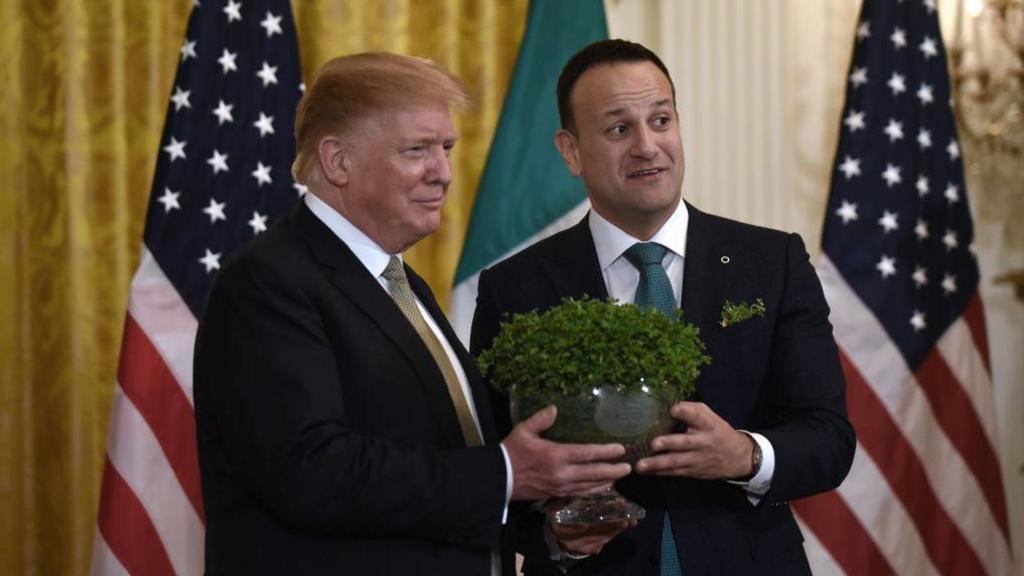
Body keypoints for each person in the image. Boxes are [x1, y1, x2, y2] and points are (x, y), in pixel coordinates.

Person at [193, 52, 631, 576]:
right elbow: (311, 472)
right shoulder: (267, 282)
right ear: (337, 161)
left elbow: (445, 457)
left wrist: (551, 528)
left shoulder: (400, 283)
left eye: (445, 148)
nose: (443, 173)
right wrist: (507, 472)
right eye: (417, 150)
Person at [470, 39, 856, 575]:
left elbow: (828, 439)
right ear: (571, 150)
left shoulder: (771, 262)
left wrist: (745, 455)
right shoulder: (515, 287)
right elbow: (493, 468)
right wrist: (556, 536)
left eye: (661, 119)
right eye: (619, 129)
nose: (648, 146)